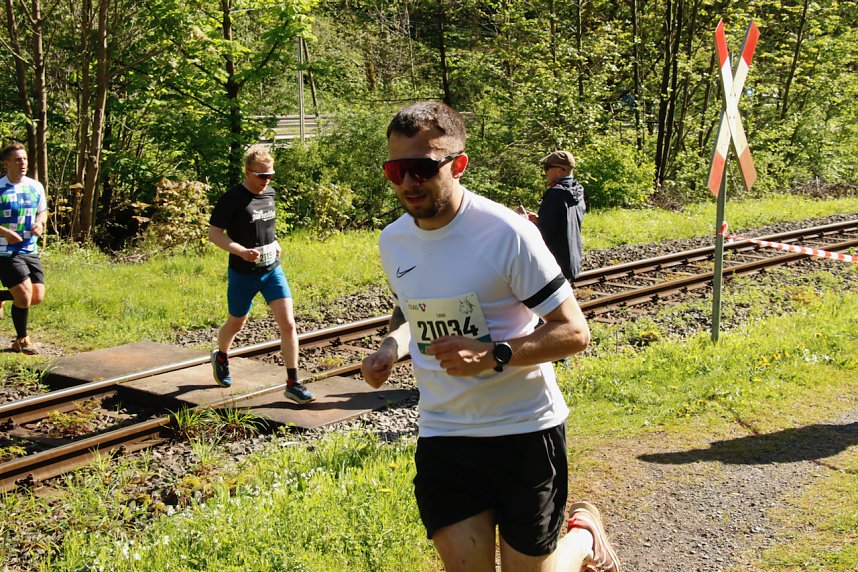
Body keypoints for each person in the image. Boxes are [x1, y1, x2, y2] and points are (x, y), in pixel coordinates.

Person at [361, 102, 619, 572]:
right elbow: (408, 307)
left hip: (524, 429)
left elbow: (574, 331)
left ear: (458, 165)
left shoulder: (507, 233)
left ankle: (583, 537)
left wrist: (492, 355)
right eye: (395, 170)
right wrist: (390, 346)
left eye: (421, 168)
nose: (407, 182)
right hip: (445, 432)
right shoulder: (393, 240)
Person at [208, 145, 313, 404]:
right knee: (236, 323)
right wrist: (241, 251)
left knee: (288, 324)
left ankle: (293, 382)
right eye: (262, 176)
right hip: (243, 273)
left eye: (271, 176)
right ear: (248, 172)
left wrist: (274, 241)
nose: (267, 182)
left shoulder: (270, 194)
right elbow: (215, 234)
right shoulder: (232, 198)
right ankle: (221, 355)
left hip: (272, 270)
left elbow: (267, 226)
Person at [0, 143, 48, 355]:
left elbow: (42, 212)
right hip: (5, 250)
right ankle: (22, 339)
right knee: (24, 296)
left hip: (30, 248)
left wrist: (40, 223)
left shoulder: (35, 186)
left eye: (25, 159)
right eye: (18, 159)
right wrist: (4, 233)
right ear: (6, 163)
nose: (23, 163)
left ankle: (1, 296)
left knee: (37, 296)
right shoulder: (0, 187)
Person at [518, 150, 586, 281]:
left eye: (547, 168)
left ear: (560, 171)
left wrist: (525, 221)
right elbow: (562, 223)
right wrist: (538, 220)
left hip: (554, 263)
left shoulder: (555, 194)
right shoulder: (578, 190)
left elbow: (543, 234)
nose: (545, 172)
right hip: (572, 259)